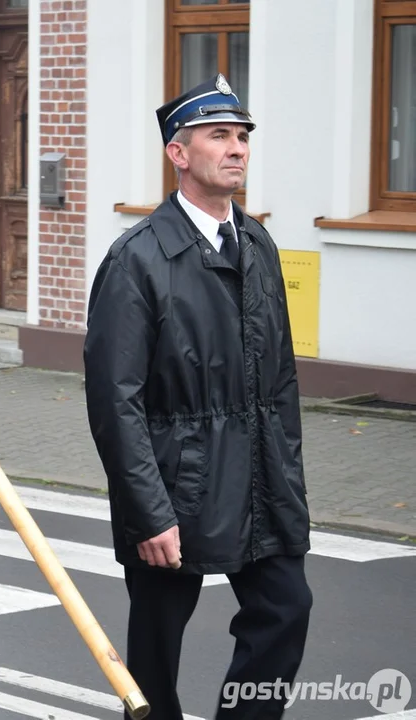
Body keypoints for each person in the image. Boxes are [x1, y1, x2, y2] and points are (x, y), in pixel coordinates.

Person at [82, 74, 313, 720]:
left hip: (258, 483)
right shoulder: (137, 258)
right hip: (173, 488)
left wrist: (287, 485)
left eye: (241, 136)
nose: (236, 148)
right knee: (156, 648)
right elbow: (113, 400)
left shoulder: (257, 245)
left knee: (285, 608)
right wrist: (148, 511)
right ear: (177, 154)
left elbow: (281, 384)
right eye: (218, 136)